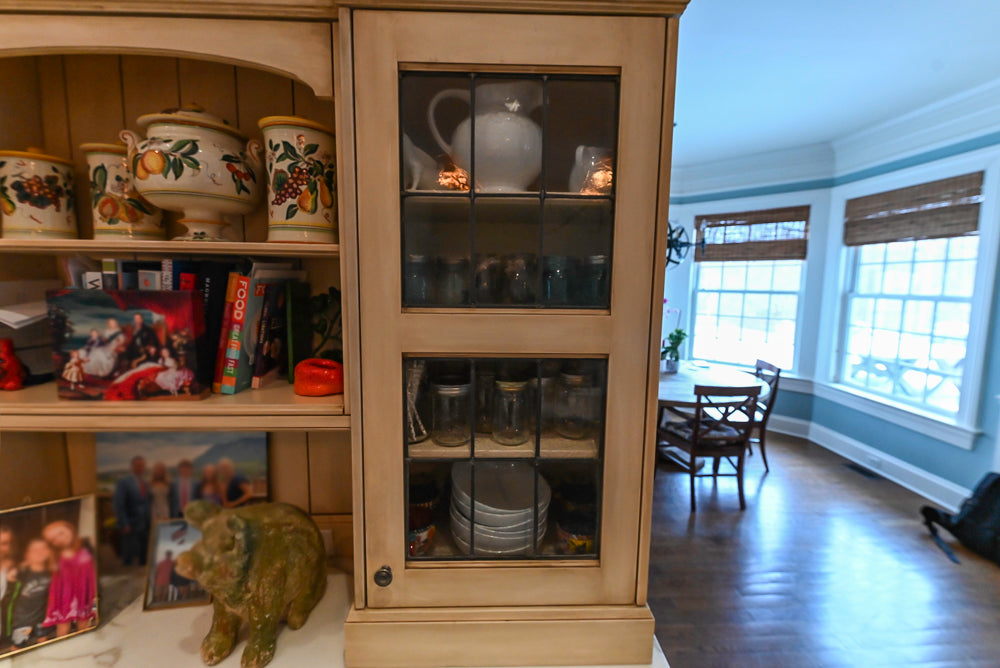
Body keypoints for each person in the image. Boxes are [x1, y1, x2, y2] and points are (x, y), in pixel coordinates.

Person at [41, 521, 96, 638]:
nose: (59, 539)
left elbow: (92, 579)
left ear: (70, 529)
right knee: (62, 628)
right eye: (53, 539)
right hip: (64, 599)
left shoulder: (86, 549)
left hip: (84, 596)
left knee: (84, 625)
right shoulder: (56, 556)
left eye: (61, 533)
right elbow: (55, 583)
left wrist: (94, 603)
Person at [7, 538, 54, 648]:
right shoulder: (21, 572)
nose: (40, 552)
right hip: (22, 620)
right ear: (27, 555)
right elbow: (9, 579)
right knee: (18, 646)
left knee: (43, 642)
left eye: (44, 548)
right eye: (34, 550)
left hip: (41, 618)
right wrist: (20, 567)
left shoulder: (50, 571)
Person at [112, 456, 150, 566]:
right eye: (138, 466)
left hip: (144, 522)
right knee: (128, 551)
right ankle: (127, 569)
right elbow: (119, 504)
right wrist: (124, 523)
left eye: (142, 466)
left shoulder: (145, 482)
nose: (140, 468)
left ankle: (142, 566)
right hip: (130, 522)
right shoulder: (123, 482)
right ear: (132, 467)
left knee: (143, 550)